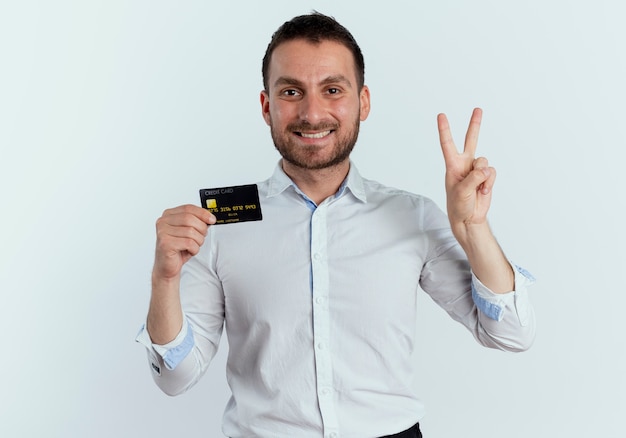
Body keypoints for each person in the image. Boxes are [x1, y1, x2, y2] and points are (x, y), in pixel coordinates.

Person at [136, 12, 535, 438]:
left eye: (332, 90)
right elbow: (174, 378)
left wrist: (474, 227)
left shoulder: (411, 217)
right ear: (267, 105)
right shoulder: (218, 223)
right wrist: (163, 279)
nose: (312, 112)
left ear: (362, 101)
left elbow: (511, 335)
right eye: (291, 91)